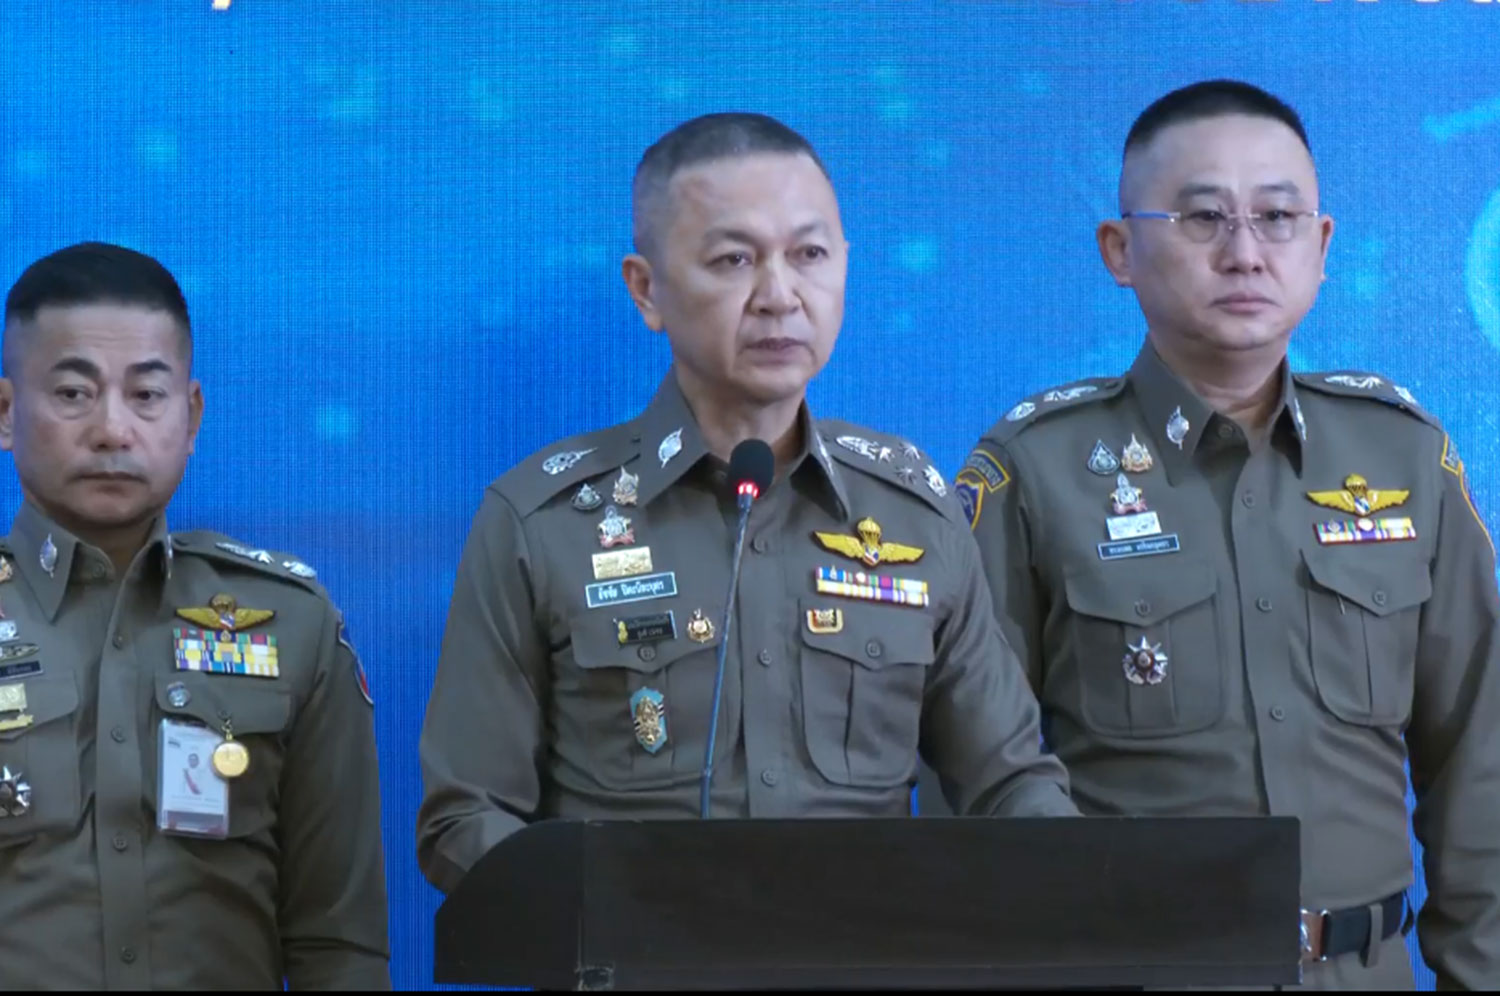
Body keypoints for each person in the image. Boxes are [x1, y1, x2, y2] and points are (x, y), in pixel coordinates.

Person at [416, 111, 1076, 894]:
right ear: (647, 288)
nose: (779, 295)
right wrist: (617, 921)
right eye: (733, 259)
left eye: (810, 255)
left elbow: (1008, 785)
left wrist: (1087, 892)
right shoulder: (543, 522)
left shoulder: (912, 514)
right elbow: (464, 819)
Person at [960, 79, 1500, 989]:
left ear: (1323, 247)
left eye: (1279, 217)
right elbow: (972, 773)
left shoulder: (1403, 456)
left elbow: (1482, 759)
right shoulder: (1032, 472)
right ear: (1121, 249)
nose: (1246, 252)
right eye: (1203, 217)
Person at [0, 242, 390, 989]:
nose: (113, 429)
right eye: (74, 393)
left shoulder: (291, 623)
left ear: (192, 413)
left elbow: (336, 942)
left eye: (147, 394)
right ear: (7, 413)